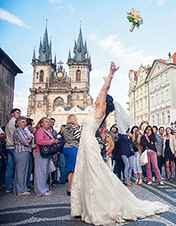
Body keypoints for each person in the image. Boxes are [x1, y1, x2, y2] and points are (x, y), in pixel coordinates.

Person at [71, 62, 168, 225]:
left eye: (100, 98)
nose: (97, 97)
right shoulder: (94, 111)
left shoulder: (100, 111)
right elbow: (102, 92)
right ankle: (85, 207)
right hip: (85, 144)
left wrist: (110, 76)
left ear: (104, 102)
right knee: (85, 174)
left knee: (95, 174)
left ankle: (99, 207)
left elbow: (104, 91)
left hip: (89, 144)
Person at [34, 117, 59, 196]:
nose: (48, 123)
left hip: (47, 153)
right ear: (41, 123)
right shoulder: (40, 131)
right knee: (41, 172)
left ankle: (44, 188)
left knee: (45, 172)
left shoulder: (48, 131)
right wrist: (51, 141)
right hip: (40, 153)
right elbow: (39, 141)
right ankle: (40, 191)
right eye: (45, 121)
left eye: (48, 121)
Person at [13, 117, 33, 196]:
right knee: (21, 171)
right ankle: (20, 190)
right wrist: (30, 138)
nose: (24, 123)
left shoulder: (22, 130)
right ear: (18, 123)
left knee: (22, 171)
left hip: (24, 151)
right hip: (21, 151)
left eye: (25, 122)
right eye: (22, 122)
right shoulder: (19, 130)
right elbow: (25, 142)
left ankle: (19, 188)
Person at [63, 114, 81, 195]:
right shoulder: (74, 127)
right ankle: (71, 188)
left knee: (70, 169)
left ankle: (69, 187)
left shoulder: (65, 128)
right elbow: (79, 137)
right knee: (73, 169)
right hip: (73, 148)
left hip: (67, 147)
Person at [5, 108, 21, 193]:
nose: (19, 114)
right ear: (12, 114)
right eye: (17, 113)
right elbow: (17, 135)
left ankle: (9, 186)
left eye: (19, 113)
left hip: (10, 146)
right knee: (14, 167)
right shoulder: (13, 123)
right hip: (13, 146)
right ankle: (11, 185)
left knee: (10, 167)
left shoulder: (10, 122)